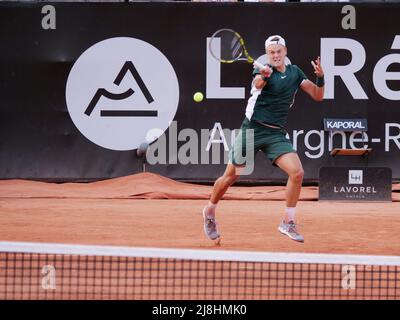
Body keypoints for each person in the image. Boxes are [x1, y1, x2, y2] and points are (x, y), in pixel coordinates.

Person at [203, 35, 324, 243]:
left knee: (297, 173)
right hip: (252, 130)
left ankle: (288, 222)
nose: (275, 55)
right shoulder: (261, 69)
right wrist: (264, 76)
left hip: (275, 134)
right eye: (271, 52)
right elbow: (257, 84)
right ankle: (209, 211)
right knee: (230, 177)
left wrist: (321, 77)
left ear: (285, 52)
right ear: (267, 54)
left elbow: (318, 95)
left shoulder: (296, 73)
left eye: (279, 51)